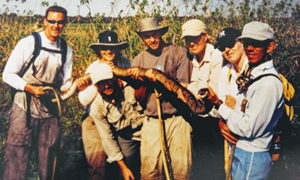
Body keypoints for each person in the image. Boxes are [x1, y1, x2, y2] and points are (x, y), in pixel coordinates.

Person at [2, 5, 73, 180]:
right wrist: (30, 88)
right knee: (18, 154)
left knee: (48, 155)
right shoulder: (29, 43)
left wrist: (77, 85)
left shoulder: (66, 49)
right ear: (45, 21)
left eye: (60, 22)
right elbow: (7, 75)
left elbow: (65, 84)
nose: (56, 26)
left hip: (49, 107)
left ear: (65, 24)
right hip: (24, 105)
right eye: (52, 21)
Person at [215, 21, 284, 180]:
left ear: (270, 47)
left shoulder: (268, 84)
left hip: (253, 154)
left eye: (257, 44)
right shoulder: (253, 74)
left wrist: (221, 106)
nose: (250, 48)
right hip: (241, 150)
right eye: (247, 43)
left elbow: (248, 128)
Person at [130, 17, 192, 180]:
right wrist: (141, 83)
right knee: (149, 173)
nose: (152, 39)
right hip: (151, 121)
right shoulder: (138, 61)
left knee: (181, 171)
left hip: (177, 120)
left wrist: (158, 79)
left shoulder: (178, 53)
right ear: (142, 38)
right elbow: (140, 99)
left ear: (160, 33)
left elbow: (182, 90)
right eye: (147, 36)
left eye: (154, 34)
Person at [77, 30, 140, 180]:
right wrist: (102, 78)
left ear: (118, 48)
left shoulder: (125, 63)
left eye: (113, 47)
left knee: (125, 161)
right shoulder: (93, 68)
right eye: (104, 47)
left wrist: (117, 72)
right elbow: (84, 100)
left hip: (119, 116)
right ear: (99, 50)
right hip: (95, 118)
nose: (109, 51)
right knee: (98, 165)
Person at [181, 19, 224, 179]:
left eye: (195, 38)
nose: (191, 43)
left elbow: (212, 93)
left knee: (215, 167)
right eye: (187, 39)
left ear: (205, 36)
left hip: (214, 121)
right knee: (199, 166)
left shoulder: (216, 57)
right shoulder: (189, 58)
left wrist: (185, 88)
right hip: (197, 120)